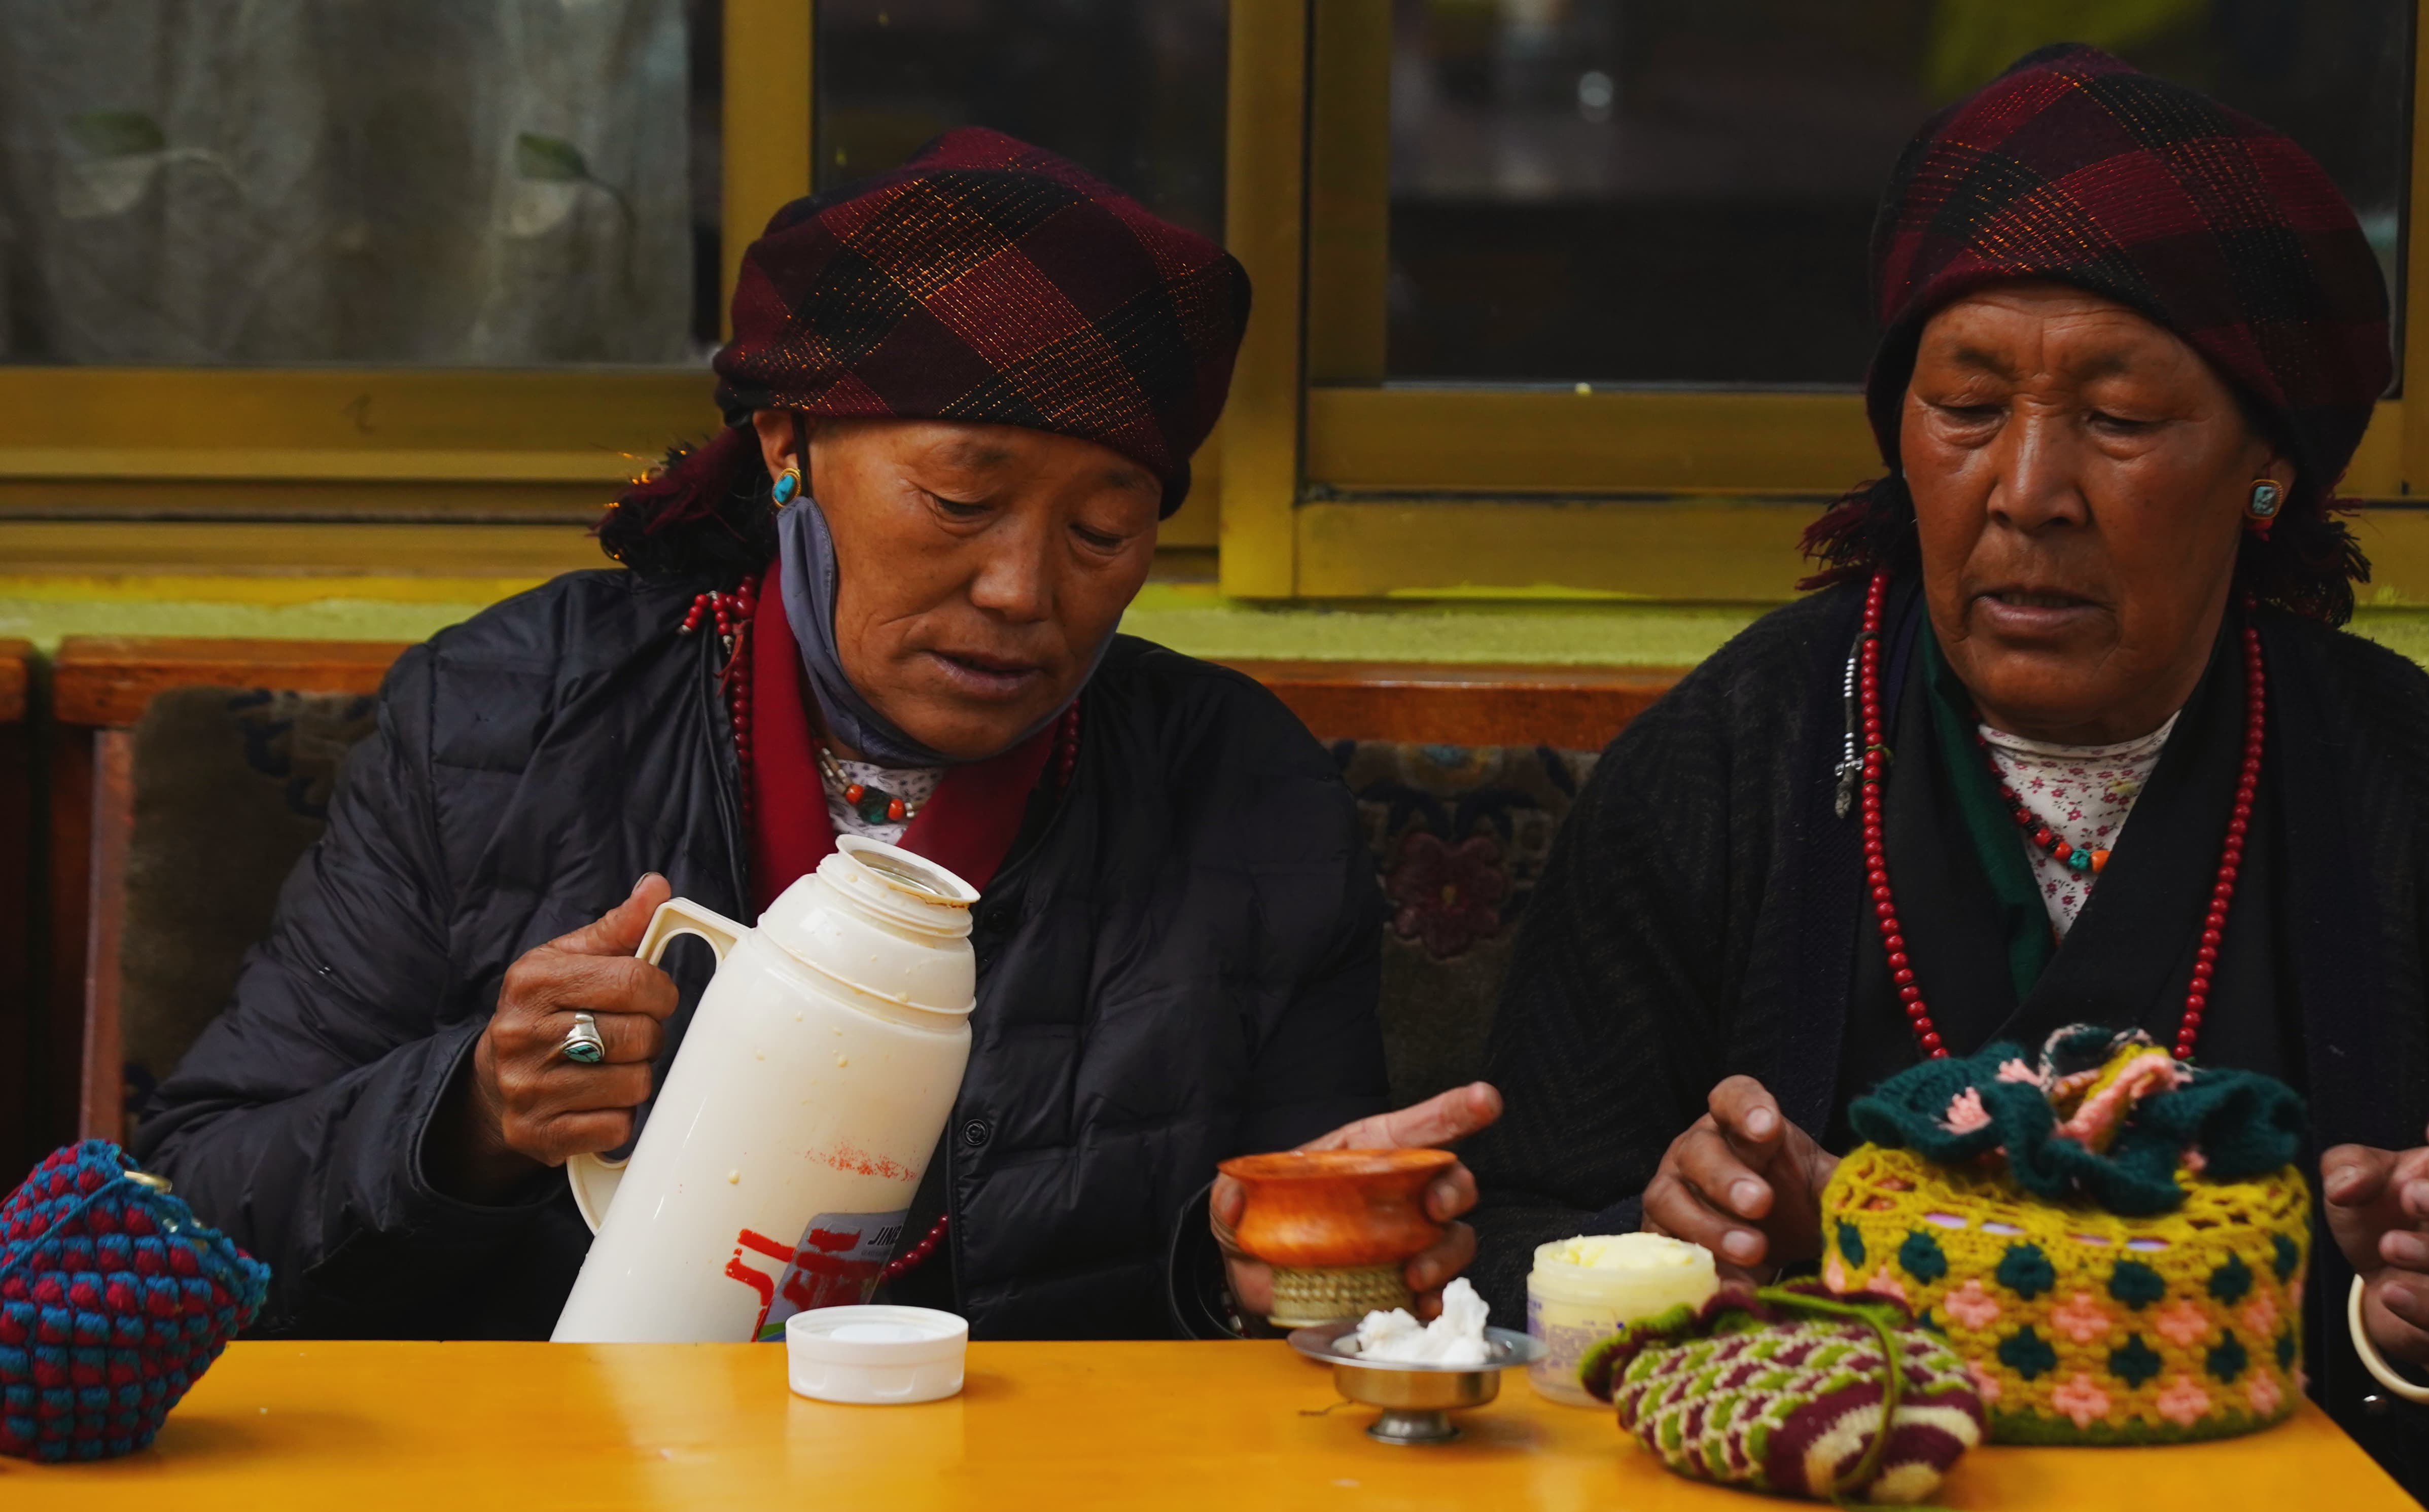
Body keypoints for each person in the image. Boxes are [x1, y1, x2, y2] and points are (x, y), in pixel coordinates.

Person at [1450, 47, 2429, 1512]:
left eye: (2120, 420)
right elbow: (1500, 1243)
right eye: (1966, 407)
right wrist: (1665, 1249)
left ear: (2267, 471)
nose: (2027, 491)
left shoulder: (2408, 790)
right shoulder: (1731, 761)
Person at [140, 131, 1479, 1339]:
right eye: (961, 500)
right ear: (788, 444)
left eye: (1102, 530)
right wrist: (478, 1112)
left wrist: (1277, 1272)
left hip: (1041, 1501)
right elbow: (193, 1206)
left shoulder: (1241, 794)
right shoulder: (510, 719)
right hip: (562, 1488)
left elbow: (1303, 1264)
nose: (1022, 590)